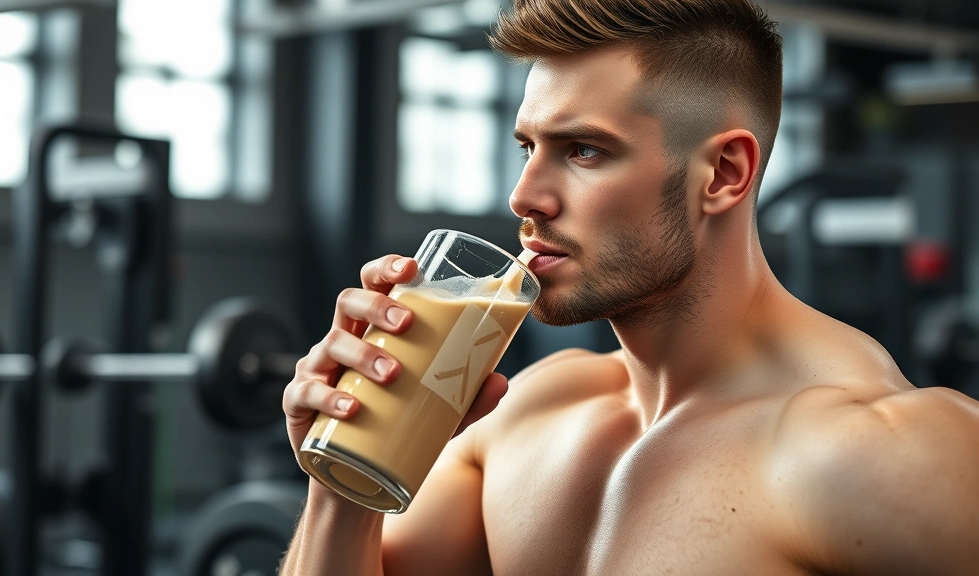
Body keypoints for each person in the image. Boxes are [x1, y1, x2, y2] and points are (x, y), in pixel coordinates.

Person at [280, 0, 979, 573]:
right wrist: (343, 484)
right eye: (529, 149)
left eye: (584, 150)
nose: (526, 195)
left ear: (725, 175)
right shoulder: (525, 415)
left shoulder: (885, 452)